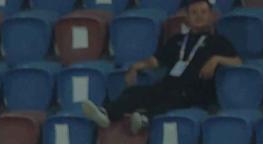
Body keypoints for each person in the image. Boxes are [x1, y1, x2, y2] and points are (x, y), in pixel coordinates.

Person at [80, 0, 241, 134]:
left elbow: (237, 62)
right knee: (135, 92)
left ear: (211, 15)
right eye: (194, 12)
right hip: (169, 86)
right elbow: (156, 61)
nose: (199, 16)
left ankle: (145, 119)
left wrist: (217, 59)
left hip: (195, 92)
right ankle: (107, 113)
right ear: (187, 17)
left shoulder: (219, 42)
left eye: (203, 12)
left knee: (172, 99)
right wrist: (136, 66)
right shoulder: (177, 40)